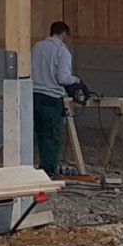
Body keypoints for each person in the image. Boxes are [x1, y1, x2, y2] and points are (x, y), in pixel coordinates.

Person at [30, 20, 78, 177]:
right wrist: (77, 81)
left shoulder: (37, 47)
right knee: (52, 136)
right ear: (63, 34)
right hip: (51, 98)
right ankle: (49, 170)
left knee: (40, 134)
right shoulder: (62, 51)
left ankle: (42, 166)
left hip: (35, 96)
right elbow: (63, 78)